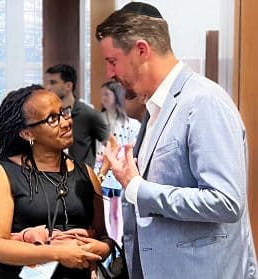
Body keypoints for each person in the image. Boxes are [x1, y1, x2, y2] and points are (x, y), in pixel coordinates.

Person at [95, 2, 257, 279]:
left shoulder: (203, 101)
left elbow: (226, 201)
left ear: (142, 50)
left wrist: (137, 188)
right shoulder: (155, 109)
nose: (110, 74)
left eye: (113, 61)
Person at [0, 84, 112, 278]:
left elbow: (102, 235)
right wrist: (58, 253)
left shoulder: (87, 174)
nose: (66, 122)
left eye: (63, 112)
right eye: (52, 118)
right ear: (27, 134)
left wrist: (104, 247)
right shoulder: (3, 174)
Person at [95, 80, 140, 245]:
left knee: (117, 211)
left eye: (107, 94)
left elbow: (132, 146)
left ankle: (118, 245)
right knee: (103, 209)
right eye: (102, 95)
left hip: (119, 171)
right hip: (101, 169)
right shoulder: (97, 121)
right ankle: (106, 243)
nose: (103, 98)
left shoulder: (130, 124)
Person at [45, 64, 110, 168]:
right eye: (47, 83)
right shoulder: (47, 115)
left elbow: (111, 145)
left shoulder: (88, 114)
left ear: (68, 86)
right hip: (54, 179)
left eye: (53, 83)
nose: (48, 87)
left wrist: (100, 175)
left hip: (82, 180)